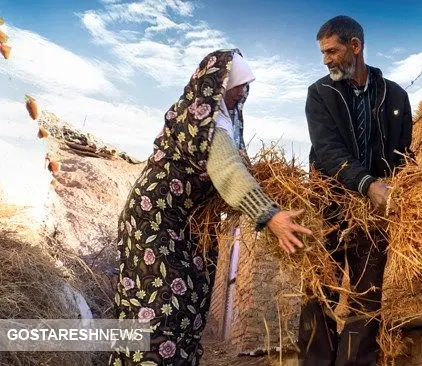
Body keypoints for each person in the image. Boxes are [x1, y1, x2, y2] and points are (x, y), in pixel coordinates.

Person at [109, 49, 312, 366]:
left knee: (188, 307)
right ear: (218, 84)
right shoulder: (204, 118)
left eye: (247, 86)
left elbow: (236, 167)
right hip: (156, 221)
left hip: (183, 226)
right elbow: (229, 171)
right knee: (160, 309)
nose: (243, 92)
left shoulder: (222, 119)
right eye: (239, 85)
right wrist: (269, 215)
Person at [298, 15, 413, 365]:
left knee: (367, 298)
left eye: (332, 51)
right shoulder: (321, 93)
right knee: (319, 292)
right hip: (329, 207)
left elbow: (402, 155)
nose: (326, 59)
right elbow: (329, 151)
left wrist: (398, 188)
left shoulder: (395, 95)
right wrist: (368, 184)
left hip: (374, 214)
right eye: (323, 53)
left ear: (355, 46)